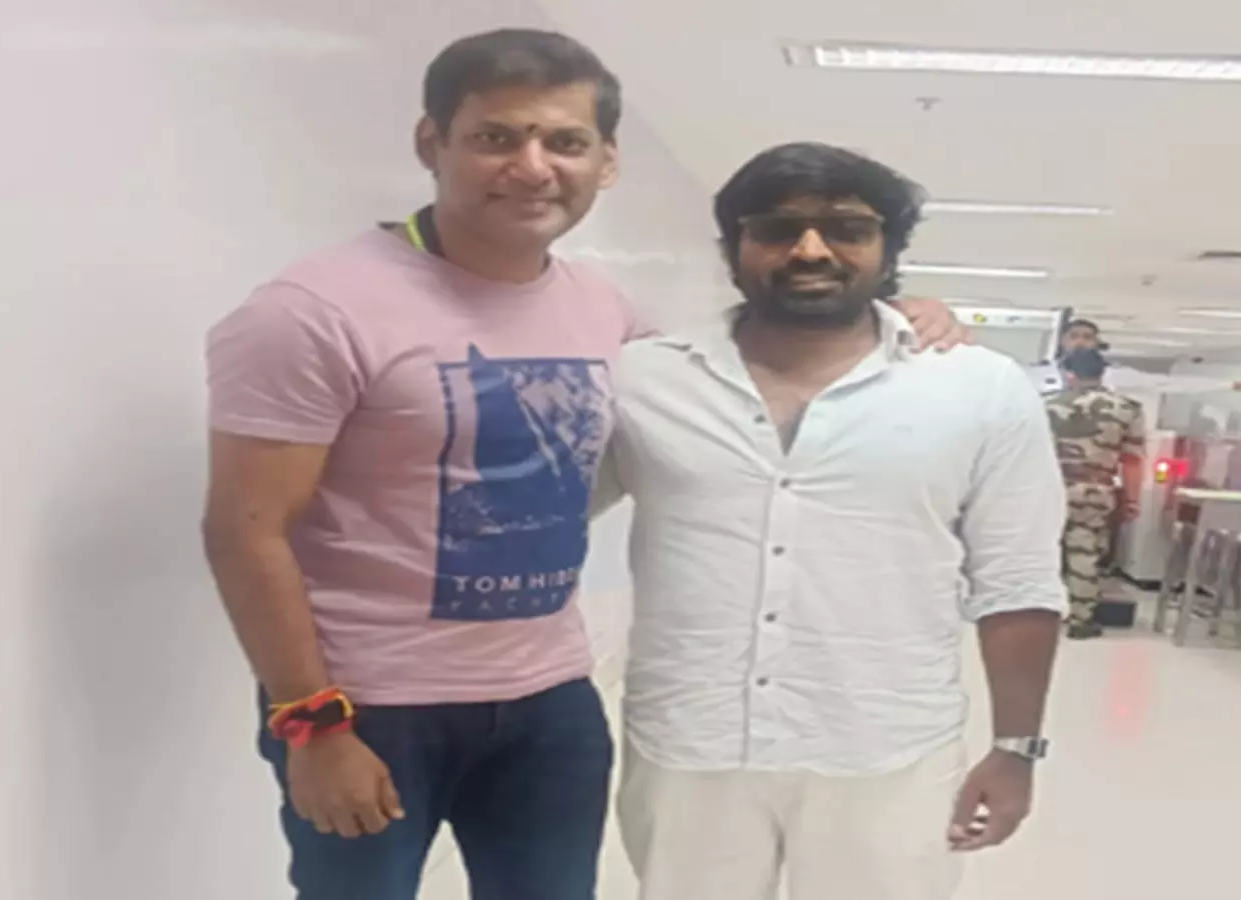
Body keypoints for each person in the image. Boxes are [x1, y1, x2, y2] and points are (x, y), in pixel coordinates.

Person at [200, 29, 968, 900]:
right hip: (368, 704)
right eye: (496, 137)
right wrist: (311, 723)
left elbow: (731, 374)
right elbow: (245, 531)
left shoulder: (603, 309)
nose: (532, 168)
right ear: (431, 143)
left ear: (606, 162)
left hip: (549, 706)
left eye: (565, 142)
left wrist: (883, 315)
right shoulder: (314, 310)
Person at [596, 143, 1067, 900]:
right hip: (689, 744)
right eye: (778, 228)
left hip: (888, 748)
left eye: (847, 229)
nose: (811, 250)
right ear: (734, 247)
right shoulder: (643, 378)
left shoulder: (978, 389)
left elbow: (1019, 582)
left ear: (889, 251)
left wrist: (1016, 747)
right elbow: (541, 518)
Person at [1044, 347, 1146, 640]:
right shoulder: (1127, 408)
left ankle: (1041, 614)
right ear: (1102, 373)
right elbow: (1132, 460)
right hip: (1095, 490)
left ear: (1068, 374)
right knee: (1084, 552)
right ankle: (1081, 620)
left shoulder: (1044, 405)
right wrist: (1131, 500)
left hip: (1047, 490)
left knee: (1043, 551)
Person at [1037, 318, 1241, 397]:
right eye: (1074, 336)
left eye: (1087, 337)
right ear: (1063, 341)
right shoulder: (1043, 374)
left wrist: (1231, 385)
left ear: (1096, 343)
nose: (1080, 342)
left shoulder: (1114, 375)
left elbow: (1169, 383)